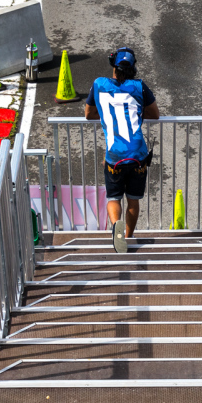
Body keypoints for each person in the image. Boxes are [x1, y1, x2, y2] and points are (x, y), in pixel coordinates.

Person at [84, 46, 160, 252]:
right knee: (133, 201)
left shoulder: (99, 84)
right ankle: (128, 236)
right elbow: (155, 114)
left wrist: (108, 113)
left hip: (113, 154)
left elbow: (89, 114)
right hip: (138, 154)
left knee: (113, 198)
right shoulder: (139, 86)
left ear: (113, 65)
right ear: (133, 68)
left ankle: (116, 226)